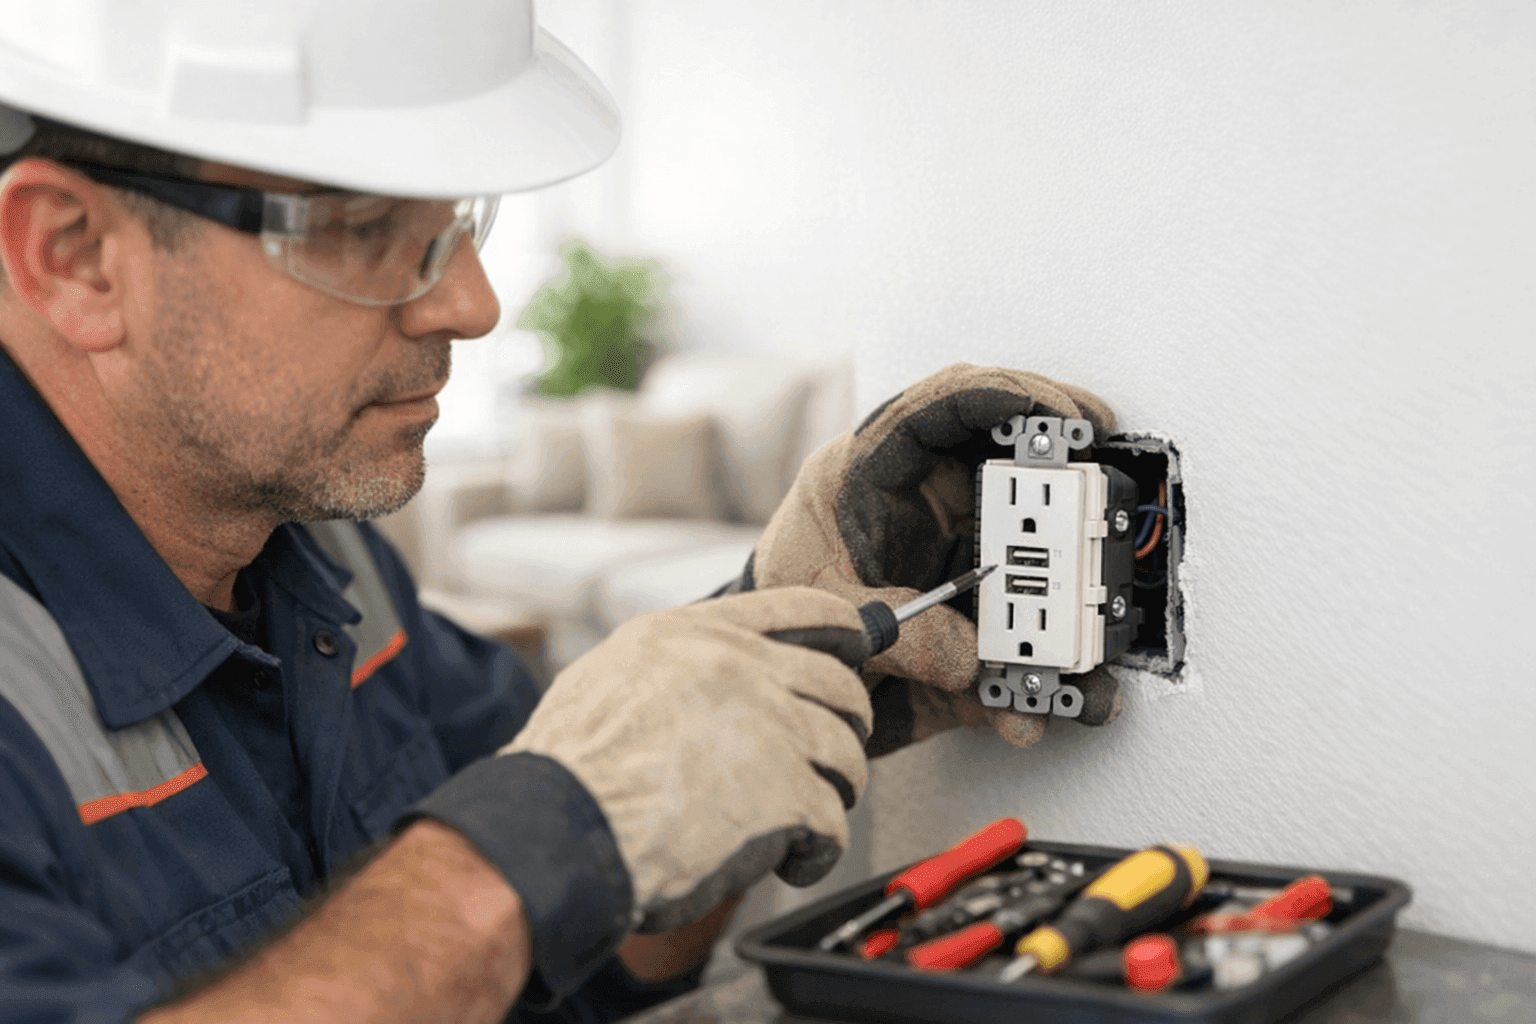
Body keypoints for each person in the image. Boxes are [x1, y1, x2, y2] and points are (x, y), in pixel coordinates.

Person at [0, 4, 1120, 1023]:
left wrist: (775, 653)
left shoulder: (324, 563)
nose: (473, 302)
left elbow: (592, 961)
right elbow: (537, 852)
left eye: (459, 217)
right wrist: (528, 847)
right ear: (76, 257)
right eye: (360, 224)